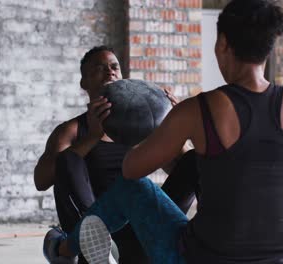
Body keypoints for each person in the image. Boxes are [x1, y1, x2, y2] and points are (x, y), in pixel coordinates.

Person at [45, 1, 283, 263]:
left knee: (136, 186)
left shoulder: (198, 109)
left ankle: (64, 248)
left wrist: (167, 124)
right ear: (268, 48)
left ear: (222, 44)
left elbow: (130, 169)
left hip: (206, 258)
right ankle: (92, 243)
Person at [35, 46, 197, 263]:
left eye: (114, 67)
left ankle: (201, 241)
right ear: (84, 82)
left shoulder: (138, 128)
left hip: (137, 225)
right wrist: (93, 136)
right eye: (99, 69)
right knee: (68, 159)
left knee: (194, 160)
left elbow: (180, 168)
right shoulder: (72, 130)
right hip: (99, 230)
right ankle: (96, 240)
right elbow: (42, 180)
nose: (110, 72)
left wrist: (176, 128)